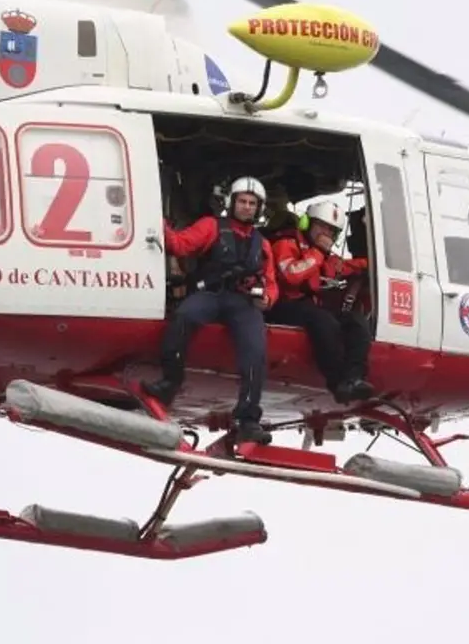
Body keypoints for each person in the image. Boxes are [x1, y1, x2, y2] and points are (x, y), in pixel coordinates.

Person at [141, 176, 278, 445]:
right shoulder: (211, 226)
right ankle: (170, 382)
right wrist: (158, 222)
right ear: (232, 203)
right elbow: (180, 244)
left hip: (243, 303)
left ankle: (248, 418)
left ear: (259, 209)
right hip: (210, 295)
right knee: (183, 317)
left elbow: (271, 283)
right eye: (242, 202)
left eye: (252, 203)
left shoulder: (262, 244)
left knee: (256, 350)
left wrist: (268, 300)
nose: (247, 207)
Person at [267, 200, 375, 404]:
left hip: (307, 308)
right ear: (307, 223)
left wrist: (372, 265)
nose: (327, 234)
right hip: (280, 305)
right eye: (322, 227)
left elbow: (342, 267)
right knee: (323, 321)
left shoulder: (323, 255)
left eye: (332, 231)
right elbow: (291, 275)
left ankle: (354, 378)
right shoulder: (286, 244)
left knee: (356, 322)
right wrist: (317, 253)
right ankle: (336, 381)